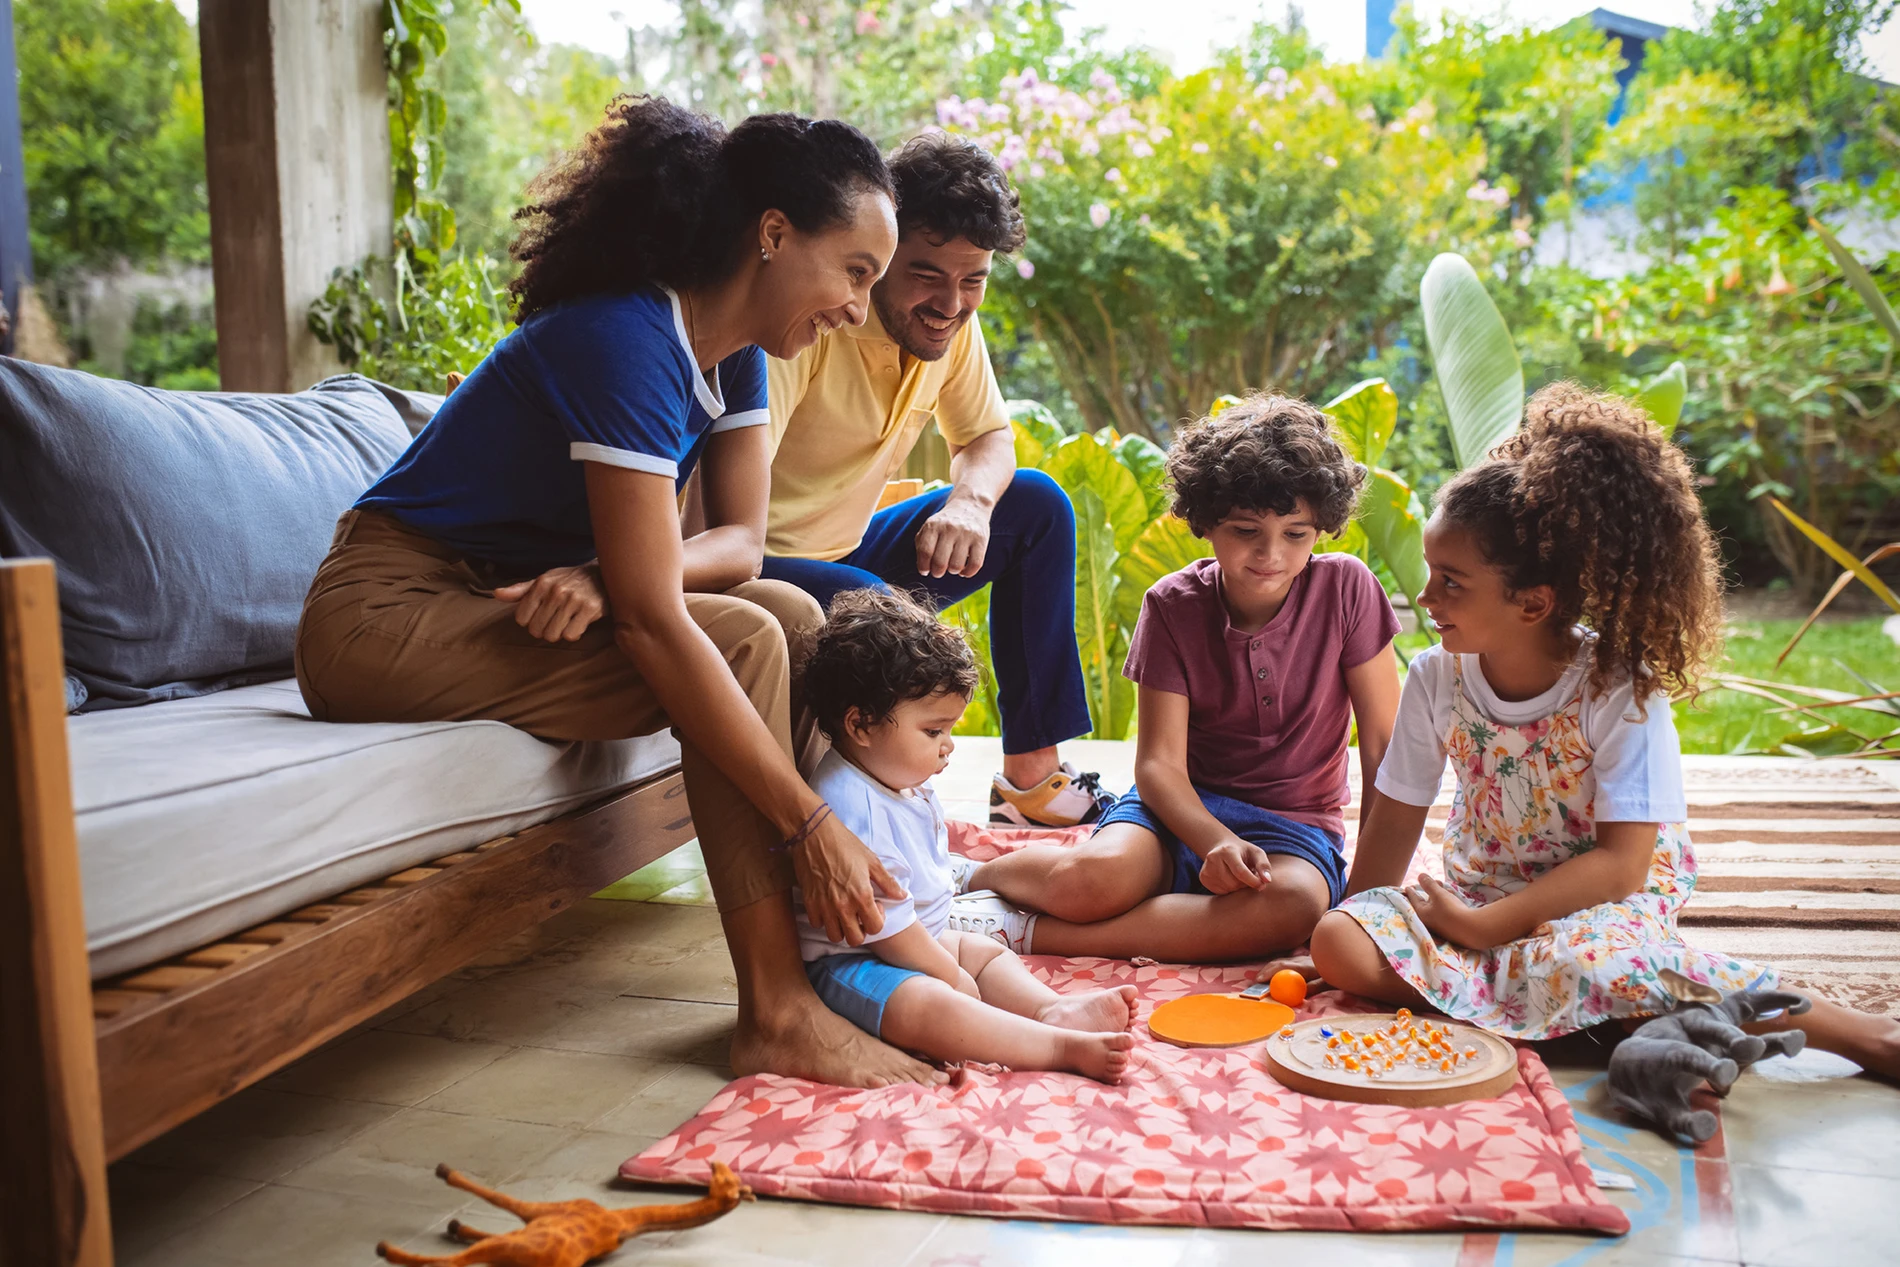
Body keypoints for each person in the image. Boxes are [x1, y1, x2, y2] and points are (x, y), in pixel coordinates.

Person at [295, 98, 945, 1089]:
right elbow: (654, 619)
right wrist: (806, 826)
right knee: (744, 642)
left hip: (495, 598)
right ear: (773, 235)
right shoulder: (625, 338)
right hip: (384, 614)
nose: (861, 307)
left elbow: (734, 545)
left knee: (794, 615)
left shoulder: (735, 359)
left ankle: (854, 940)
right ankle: (776, 1008)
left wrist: (606, 574)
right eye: (854, 272)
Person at [1305, 383, 1900, 1074]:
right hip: (1484, 889)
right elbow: (1395, 819)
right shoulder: (1438, 676)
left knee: (1602, 962)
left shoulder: (1618, 687)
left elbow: (1622, 865)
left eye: (1451, 582)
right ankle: (1593, 1014)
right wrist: (1361, 917)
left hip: (1598, 902)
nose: (1427, 598)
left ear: (1533, 603)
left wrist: (1480, 930)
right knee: (1337, 942)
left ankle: (1862, 1033)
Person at [957, 396, 1404, 963]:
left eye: (1297, 533)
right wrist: (1213, 839)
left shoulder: (1348, 589)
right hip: (1173, 810)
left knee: (1294, 908)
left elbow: (1384, 747)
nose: (1272, 554)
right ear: (1206, 521)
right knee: (1093, 881)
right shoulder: (1172, 604)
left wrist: (1363, 901)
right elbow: (1158, 766)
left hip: (1293, 827)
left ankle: (1025, 934)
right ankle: (970, 878)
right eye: (1247, 530)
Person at [759, 133, 1111, 830]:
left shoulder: (948, 326)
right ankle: (882, 807)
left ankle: (1031, 781)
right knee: (872, 610)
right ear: (882, 253)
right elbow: (715, 507)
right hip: (757, 566)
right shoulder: (814, 321)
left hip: (844, 555)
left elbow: (987, 437)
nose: (951, 302)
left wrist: (973, 504)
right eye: (925, 274)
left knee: (1035, 505)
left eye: (973, 278)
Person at [794, 587, 1138, 1082]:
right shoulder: (852, 808)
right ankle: (1055, 1047)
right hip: (852, 965)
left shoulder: (892, 776)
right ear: (861, 724)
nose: (948, 747)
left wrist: (953, 960)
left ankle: (1050, 1011)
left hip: (918, 940)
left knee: (985, 953)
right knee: (929, 1002)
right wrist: (946, 973)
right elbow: (887, 933)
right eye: (933, 732)